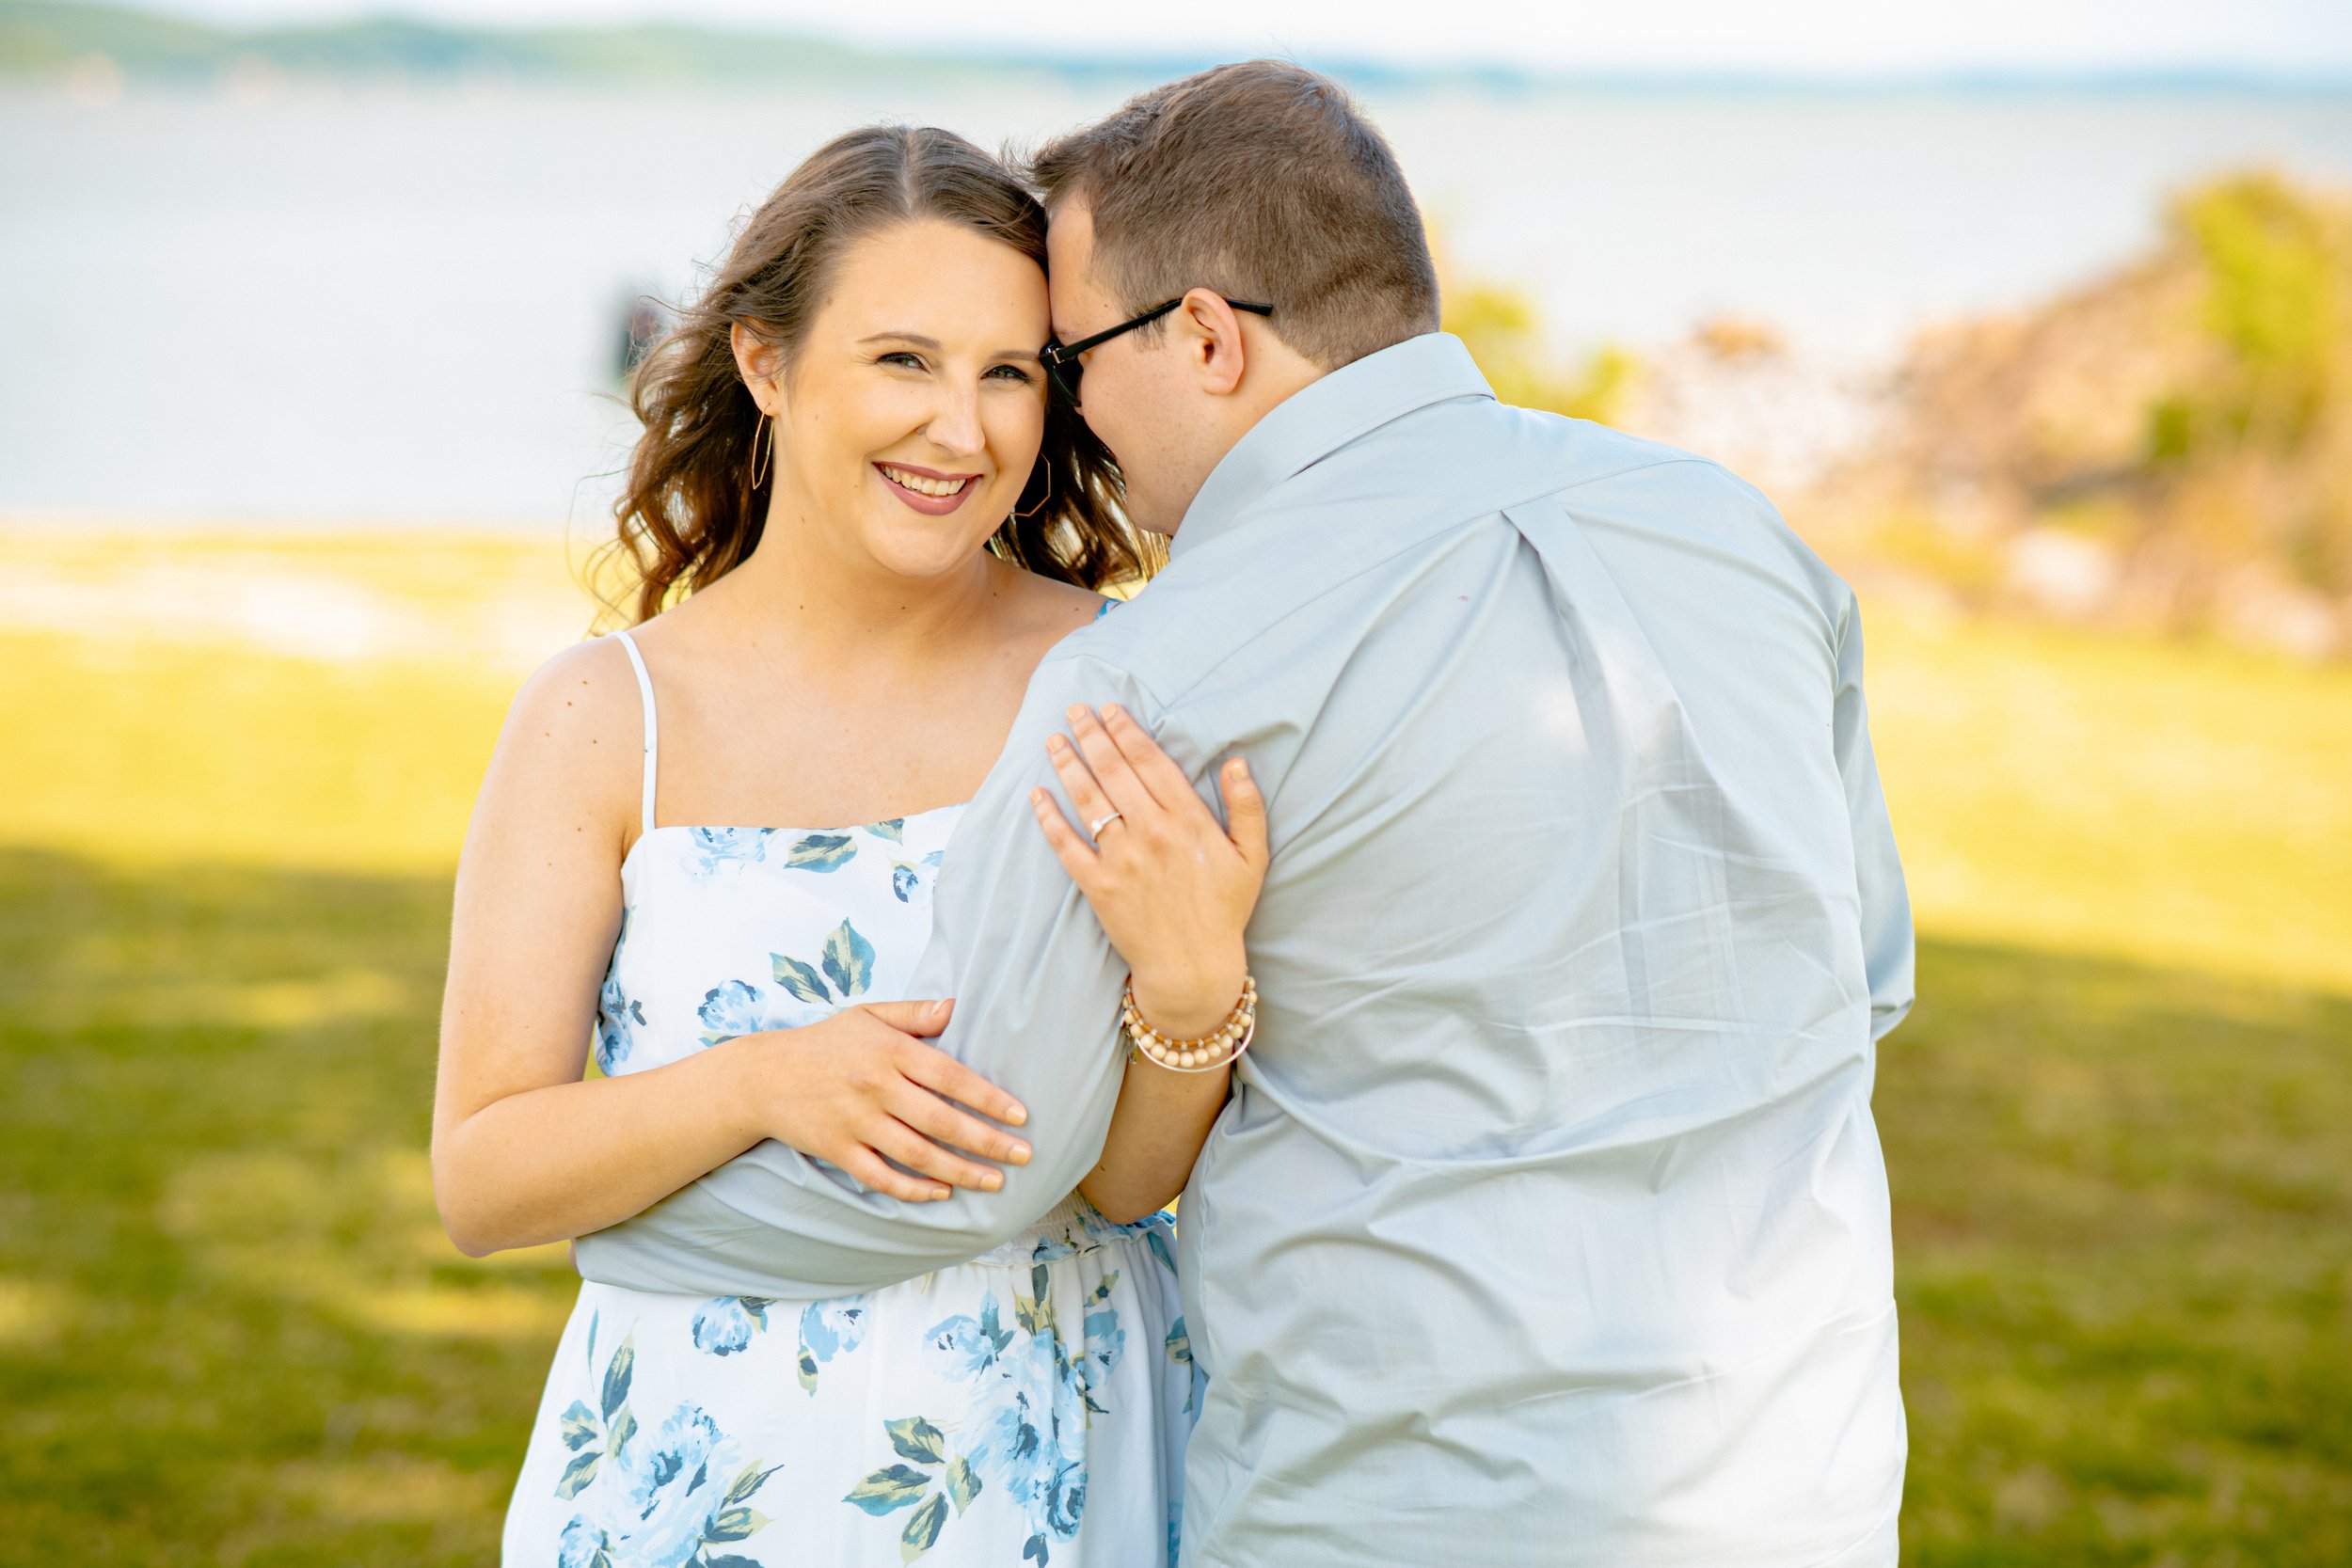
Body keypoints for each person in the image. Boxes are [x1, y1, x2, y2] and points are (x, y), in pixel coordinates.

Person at [582, 61, 1915, 1568]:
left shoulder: (1159, 674)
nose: (1066, 424)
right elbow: (1869, 975)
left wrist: (622, 1230)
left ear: (1206, 336)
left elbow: (993, 1164)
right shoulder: (1740, 537)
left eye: (1062, 362)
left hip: (1394, 1505)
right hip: (1802, 1488)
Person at [431, 126, 1268, 1567]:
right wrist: (764, 1081)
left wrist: (1194, 996)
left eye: (1009, 372)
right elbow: (484, 1176)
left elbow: (1121, 1188)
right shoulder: (604, 719)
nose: (964, 429)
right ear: (765, 363)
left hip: (1050, 1437)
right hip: (702, 1461)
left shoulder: (1120, 682)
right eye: (904, 361)